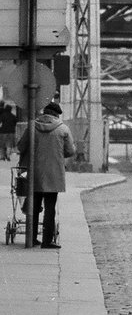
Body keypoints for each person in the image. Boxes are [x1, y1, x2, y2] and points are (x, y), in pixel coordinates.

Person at [16, 101, 76, 249]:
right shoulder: (63, 129)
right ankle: (47, 240)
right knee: (50, 208)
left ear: (44, 113)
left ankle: (32, 237)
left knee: (34, 206)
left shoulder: (32, 127)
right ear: (56, 115)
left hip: (33, 173)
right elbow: (70, 151)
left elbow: (21, 146)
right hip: (53, 173)